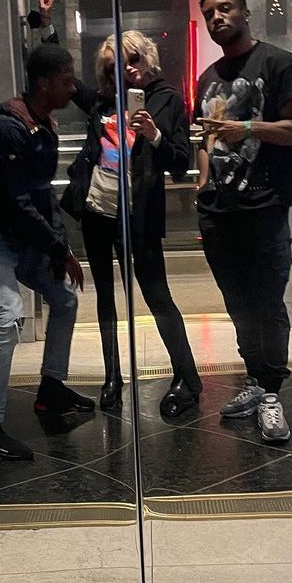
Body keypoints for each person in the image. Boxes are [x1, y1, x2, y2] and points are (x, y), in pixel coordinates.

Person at [0, 43, 94, 461]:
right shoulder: (7, 129)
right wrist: (58, 249)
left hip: (17, 235)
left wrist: (59, 247)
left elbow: (42, 195)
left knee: (64, 299)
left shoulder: (42, 124)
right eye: (67, 81)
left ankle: (51, 389)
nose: (73, 88)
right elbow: (18, 202)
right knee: (10, 317)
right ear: (45, 84)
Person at [194, 0, 292, 444]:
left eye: (226, 8)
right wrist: (203, 183)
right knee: (238, 304)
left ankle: (271, 392)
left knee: (267, 302)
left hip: (264, 207)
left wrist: (247, 128)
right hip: (218, 211)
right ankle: (255, 378)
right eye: (209, 12)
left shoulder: (279, 63)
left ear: (245, 13)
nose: (217, 17)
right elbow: (205, 137)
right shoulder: (208, 78)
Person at [62, 31, 202, 417]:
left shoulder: (166, 99)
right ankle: (112, 377)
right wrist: (45, 25)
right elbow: (69, 82)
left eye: (133, 59)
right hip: (97, 210)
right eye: (114, 66)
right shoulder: (104, 101)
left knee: (157, 295)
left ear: (147, 56)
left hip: (138, 216)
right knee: (105, 297)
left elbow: (180, 162)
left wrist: (154, 135)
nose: (126, 69)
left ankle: (188, 378)